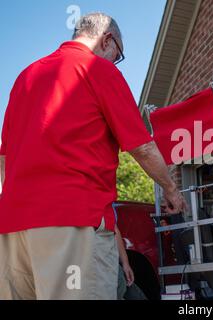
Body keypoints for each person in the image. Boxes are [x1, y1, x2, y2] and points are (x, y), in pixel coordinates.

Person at [0, 13, 187, 300]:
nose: (115, 61)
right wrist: (171, 189)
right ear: (107, 40)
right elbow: (142, 147)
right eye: (118, 55)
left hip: (12, 229)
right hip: (71, 223)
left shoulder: (26, 76)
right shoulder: (98, 69)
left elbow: (4, 159)